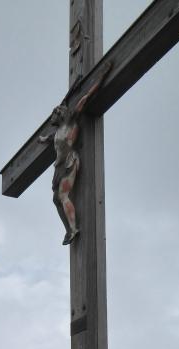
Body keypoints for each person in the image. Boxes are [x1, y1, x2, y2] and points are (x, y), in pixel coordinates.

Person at [39, 62, 112, 245]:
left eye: (54, 114)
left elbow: (87, 97)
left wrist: (102, 76)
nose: (52, 117)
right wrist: (41, 139)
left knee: (63, 196)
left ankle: (73, 229)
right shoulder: (56, 134)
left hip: (70, 162)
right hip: (59, 167)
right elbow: (47, 139)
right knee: (56, 199)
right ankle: (67, 230)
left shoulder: (71, 121)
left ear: (61, 113)